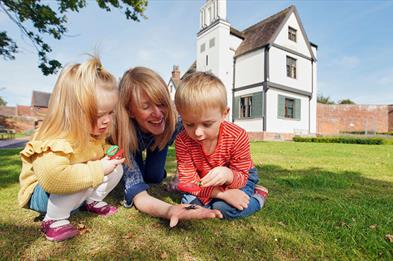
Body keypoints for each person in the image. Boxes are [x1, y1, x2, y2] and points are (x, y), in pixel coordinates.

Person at [18, 56, 125, 241]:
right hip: (43, 193)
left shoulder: (92, 134)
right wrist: (98, 168)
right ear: (72, 111)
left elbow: (97, 152)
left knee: (116, 169)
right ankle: (53, 219)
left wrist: (109, 156)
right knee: (84, 173)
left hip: (69, 190)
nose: (107, 120)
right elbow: (54, 179)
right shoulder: (55, 138)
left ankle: (92, 201)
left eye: (110, 112)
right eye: (100, 114)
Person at [112, 67, 222, 227]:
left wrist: (180, 175)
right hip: (132, 144)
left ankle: (154, 170)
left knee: (155, 177)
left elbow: (194, 143)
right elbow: (139, 196)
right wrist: (170, 210)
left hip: (159, 141)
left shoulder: (178, 121)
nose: (158, 113)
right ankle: (139, 167)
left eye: (161, 103)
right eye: (146, 107)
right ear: (130, 111)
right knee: (139, 178)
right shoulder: (122, 132)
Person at [174, 72, 268, 219]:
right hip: (204, 181)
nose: (198, 132)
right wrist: (222, 194)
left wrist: (228, 174)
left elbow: (242, 176)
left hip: (239, 177)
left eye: (207, 124)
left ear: (224, 113)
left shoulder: (237, 136)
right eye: (189, 124)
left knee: (223, 209)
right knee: (190, 205)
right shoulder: (182, 141)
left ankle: (258, 197)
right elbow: (188, 181)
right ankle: (216, 199)